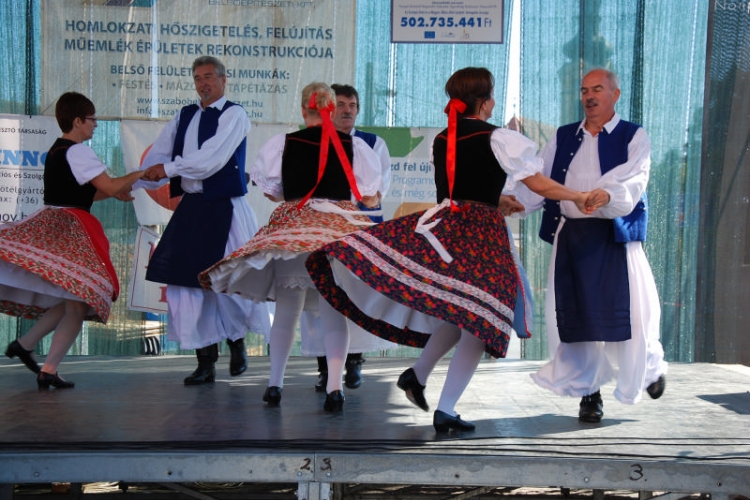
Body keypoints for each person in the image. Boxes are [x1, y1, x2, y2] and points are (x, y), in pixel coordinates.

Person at [305, 67, 595, 432]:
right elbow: (537, 183)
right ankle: (445, 409)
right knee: (481, 322)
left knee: (461, 316)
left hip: (448, 228)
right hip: (480, 236)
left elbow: (465, 187)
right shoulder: (499, 137)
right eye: (491, 97)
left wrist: (499, 199)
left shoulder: (444, 137)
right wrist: (578, 195)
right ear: (486, 101)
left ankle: (418, 374)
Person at [199, 82, 381, 412]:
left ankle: (274, 385)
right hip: (334, 233)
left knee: (286, 311)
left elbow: (272, 192)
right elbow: (368, 195)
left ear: (302, 110)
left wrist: (298, 190)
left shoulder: (283, 144)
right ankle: (335, 389)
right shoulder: (354, 146)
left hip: (293, 231)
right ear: (333, 110)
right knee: (333, 314)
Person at [504, 68, 668, 423]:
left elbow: (635, 177)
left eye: (597, 89)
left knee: (633, 316)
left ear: (615, 94)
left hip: (615, 235)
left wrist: (606, 193)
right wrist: (515, 201)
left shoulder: (632, 135)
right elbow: (541, 180)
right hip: (573, 239)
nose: (589, 96)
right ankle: (589, 395)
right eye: (583, 90)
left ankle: (650, 367)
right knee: (576, 320)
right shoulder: (564, 136)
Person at [135, 56, 270, 385]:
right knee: (187, 285)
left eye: (209, 76)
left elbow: (210, 160)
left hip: (225, 207)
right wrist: (137, 181)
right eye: (197, 78)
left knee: (229, 280)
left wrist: (166, 171)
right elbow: (158, 157)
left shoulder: (234, 114)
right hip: (193, 207)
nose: (203, 83)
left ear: (224, 80)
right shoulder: (184, 115)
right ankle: (205, 361)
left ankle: (236, 344)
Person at [1, 92, 143, 389]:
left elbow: (91, 191)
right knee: (82, 299)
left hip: (55, 223)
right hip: (70, 228)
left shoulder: (58, 149)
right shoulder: (79, 151)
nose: (95, 126)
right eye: (92, 120)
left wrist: (116, 191)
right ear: (78, 121)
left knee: (73, 300)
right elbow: (107, 184)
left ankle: (27, 347)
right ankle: (46, 367)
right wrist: (140, 173)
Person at [309, 83, 395, 392]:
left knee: (358, 293)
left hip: (361, 226)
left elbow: (378, 187)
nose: (347, 109)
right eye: (341, 104)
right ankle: (324, 365)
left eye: (352, 104)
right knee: (323, 294)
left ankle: (355, 361)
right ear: (328, 108)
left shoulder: (374, 143)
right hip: (321, 227)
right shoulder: (313, 142)